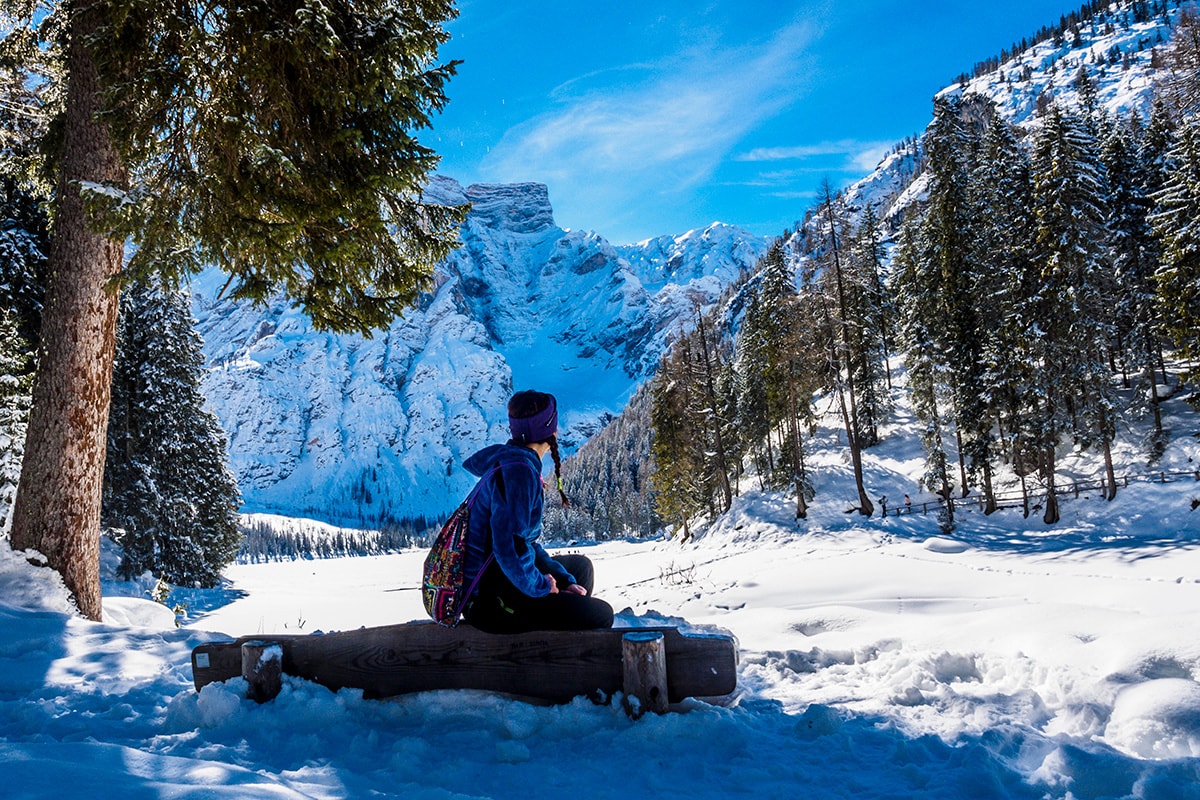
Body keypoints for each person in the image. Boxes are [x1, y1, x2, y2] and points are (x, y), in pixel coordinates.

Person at [459, 389, 614, 634]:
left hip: (500, 579)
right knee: (601, 615)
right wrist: (542, 586)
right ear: (549, 429)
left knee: (579, 570)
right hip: (490, 601)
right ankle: (546, 657)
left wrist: (562, 582)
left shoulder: (516, 462)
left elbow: (525, 544)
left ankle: (555, 628)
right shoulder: (519, 473)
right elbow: (508, 548)